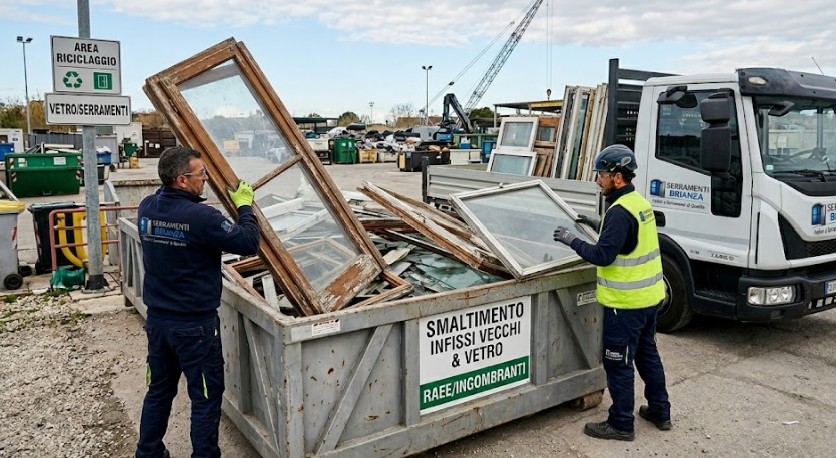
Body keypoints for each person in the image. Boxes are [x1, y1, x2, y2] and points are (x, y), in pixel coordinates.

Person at [135, 146, 261, 458]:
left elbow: (165, 203)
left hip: (158, 324)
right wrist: (245, 207)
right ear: (181, 180)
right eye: (200, 174)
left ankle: (147, 453)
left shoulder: (147, 207)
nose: (205, 179)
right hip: (194, 326)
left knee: (159, 390)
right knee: (205, 397)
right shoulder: (201, 217)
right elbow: (247, 242)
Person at [552, 144, 671, 441]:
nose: (598, 180)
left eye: (601, 175)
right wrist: (595, 223)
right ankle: (660, 411)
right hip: (649, 299)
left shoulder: (619, 212)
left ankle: (621, 424)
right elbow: (626, 237)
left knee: (618, 363)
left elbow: (603, 255)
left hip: (624, 305)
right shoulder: (638, 203)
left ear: (617, 177)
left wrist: (571, 240)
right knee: (648, 356)